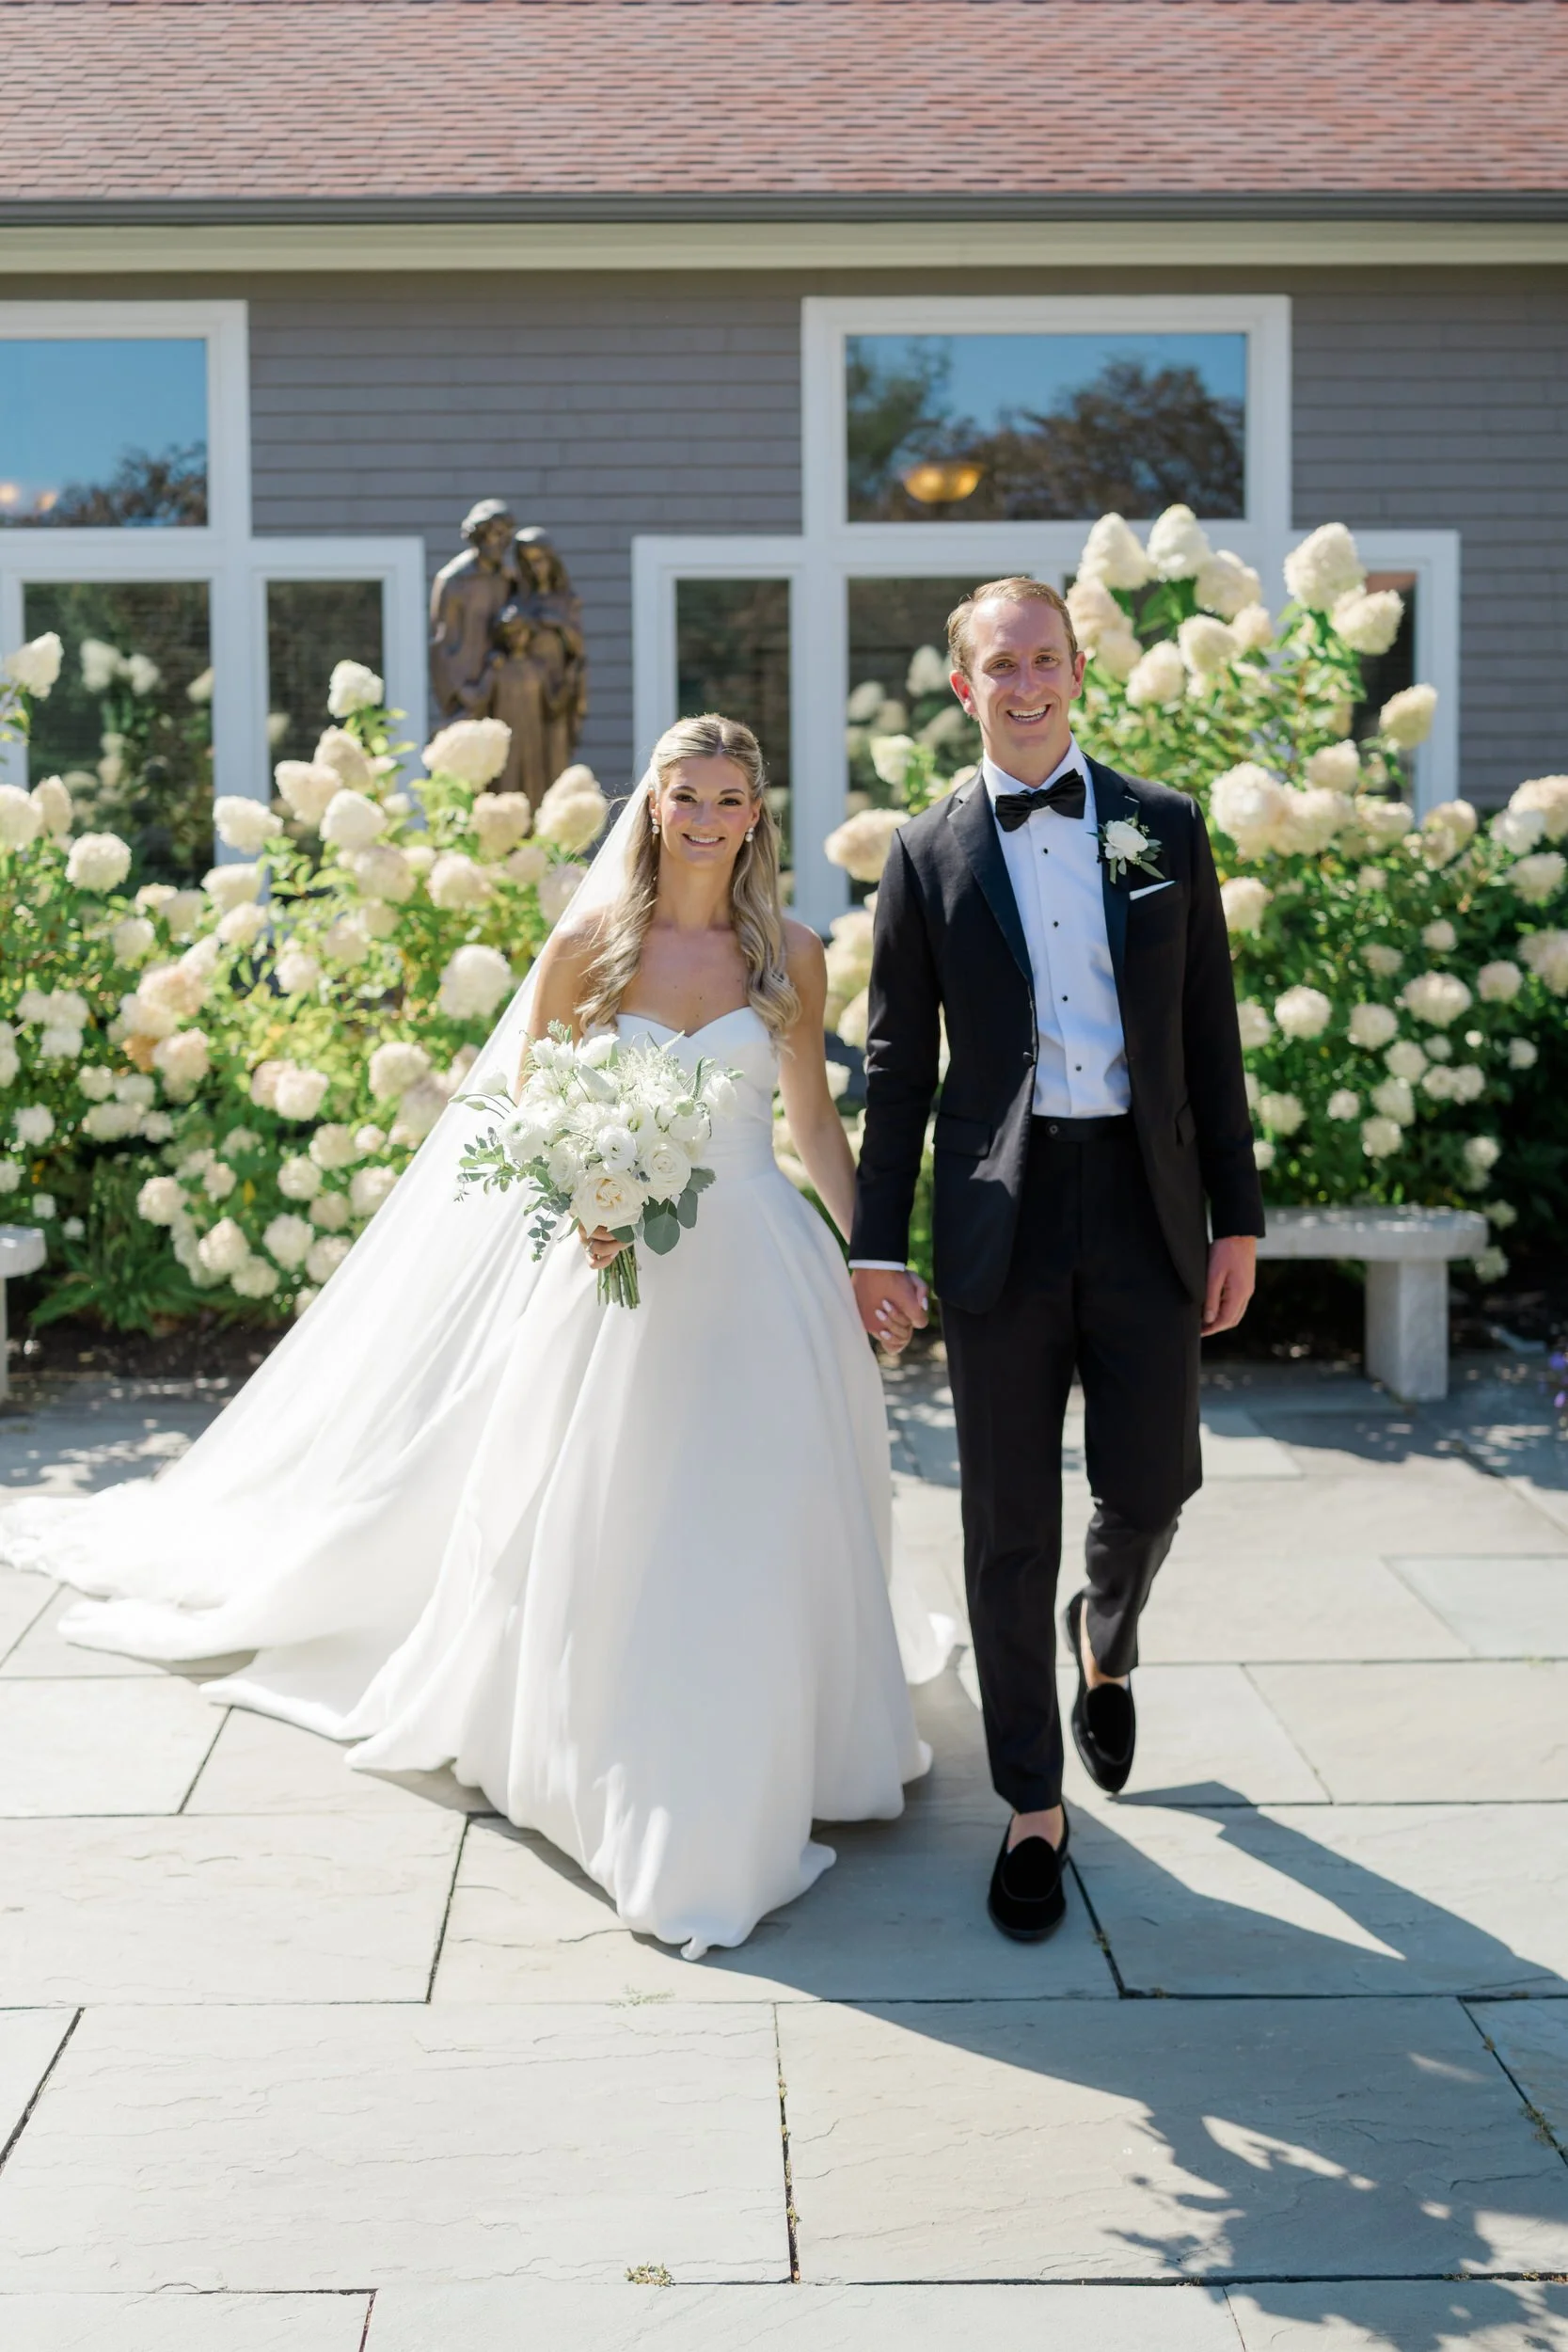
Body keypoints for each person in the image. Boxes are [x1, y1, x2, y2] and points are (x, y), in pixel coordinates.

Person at [0, 715, 939, 1963]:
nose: (707, 817)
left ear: (754, 816)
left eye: (729, 799)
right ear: (653, 807)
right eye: (685, 795)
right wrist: (594, 1204)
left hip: (760, 1269)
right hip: (616, 1270)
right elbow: (536, 1124)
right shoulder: (586, 950)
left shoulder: (792, 955)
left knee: (757, 1508)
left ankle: (775, 1745)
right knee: (615, 1508)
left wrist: (872, 1249)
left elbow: (812, 1122)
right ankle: (615, 1749)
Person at [849, 577, 1262, 1945]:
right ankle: (1031, 1799)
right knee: (1002, 1516)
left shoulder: (1160, 827)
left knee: (1155, 1477)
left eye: (1043, 658)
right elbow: (902, 1063)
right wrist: (873, 1245)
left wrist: (1237, 1216)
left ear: (1076, 671)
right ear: (961, 688)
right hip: (1002, 1213)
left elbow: (1209, 1037)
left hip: (1144, 1203)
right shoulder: (925, 852)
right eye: (995, 665)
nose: (1022, 684)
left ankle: (1108, 1629)